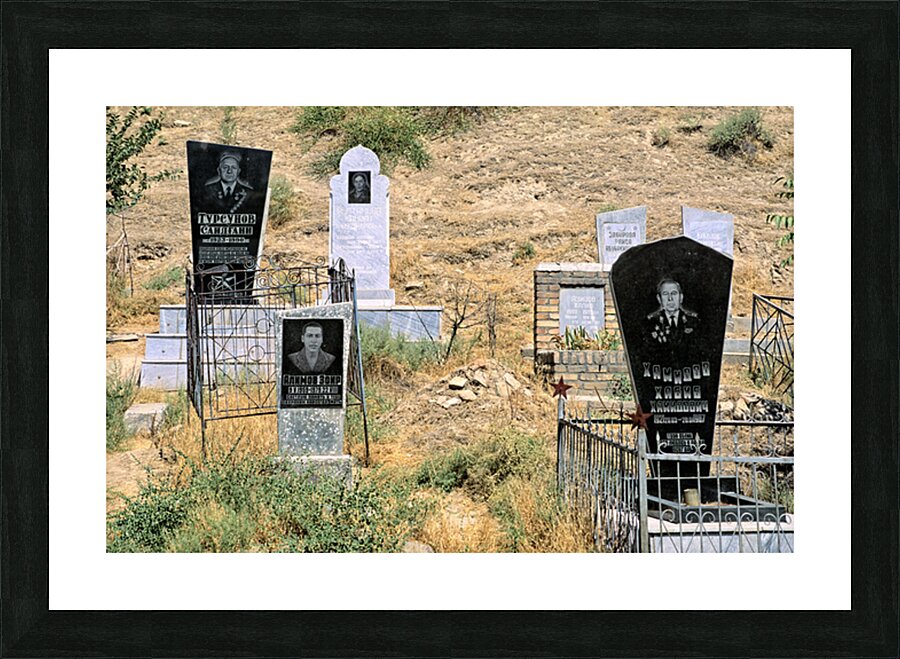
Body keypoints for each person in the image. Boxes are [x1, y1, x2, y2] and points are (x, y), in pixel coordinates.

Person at [646, 278, 699, 349]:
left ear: (681, 297)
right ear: (659, 299)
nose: (670, 298)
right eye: (665, 294)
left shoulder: (693, 321)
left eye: (674, 293)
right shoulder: (651, 322)